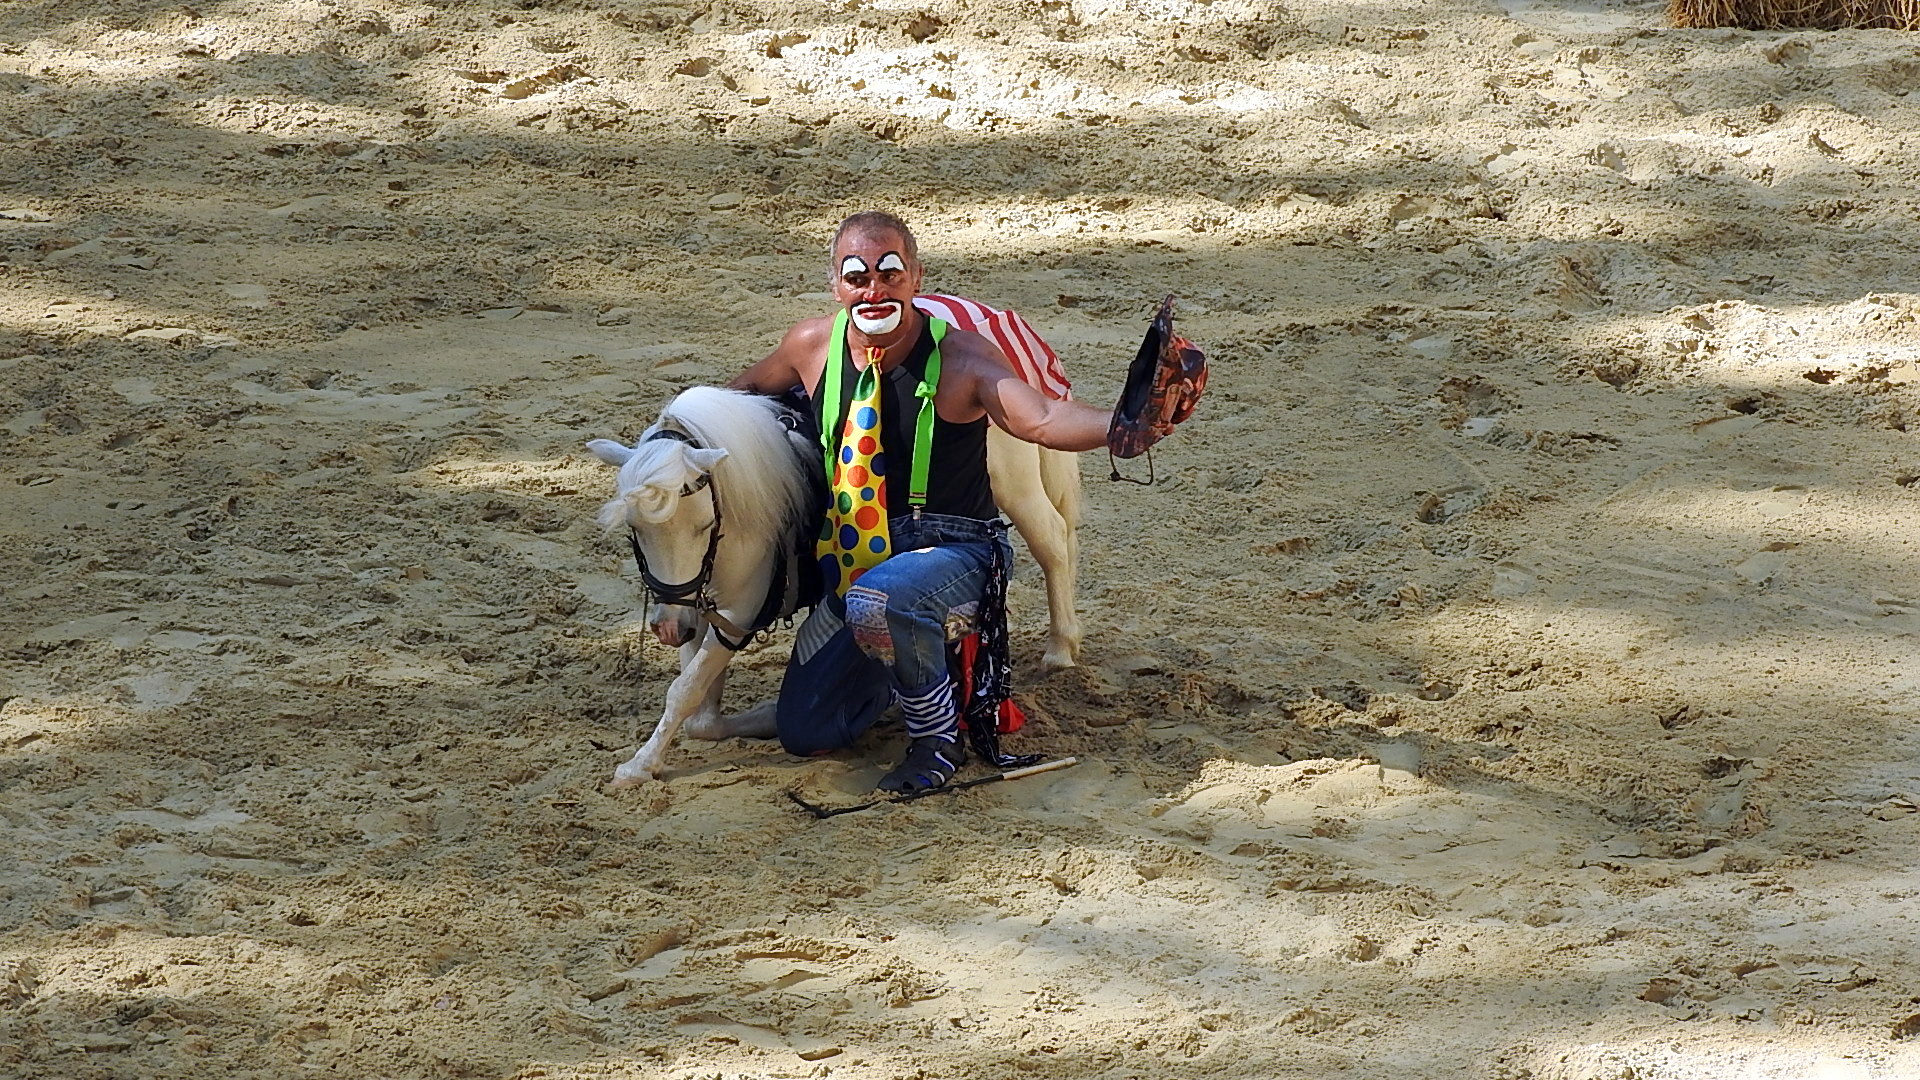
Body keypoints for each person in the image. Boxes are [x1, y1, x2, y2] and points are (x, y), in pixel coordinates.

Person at [727, 210, 1187, 792]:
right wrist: (680, 430)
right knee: (808, 731)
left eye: (889, 274)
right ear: (835, 285)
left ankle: (938, 739)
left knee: (878, 600)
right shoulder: (810, 345)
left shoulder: (965, 357)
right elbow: (741, 393)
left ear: (916, 277)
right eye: (857, 276)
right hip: (857, 553)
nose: (874, 289)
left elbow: (1041, 418)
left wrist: (1123, 427)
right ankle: (910, 671)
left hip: (955, 546)